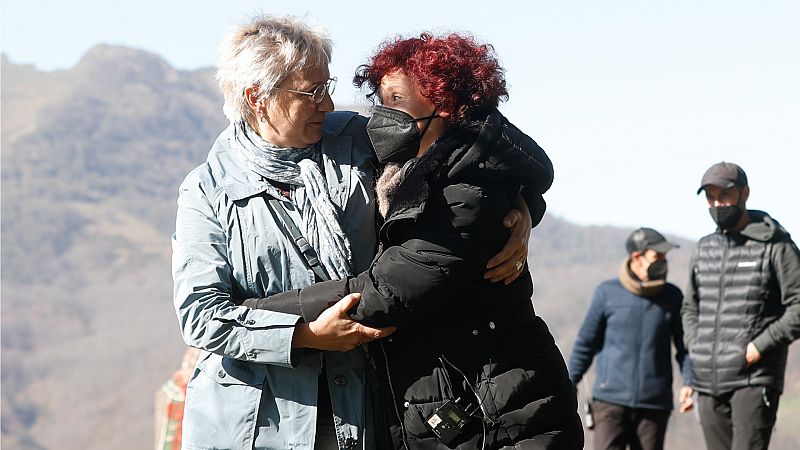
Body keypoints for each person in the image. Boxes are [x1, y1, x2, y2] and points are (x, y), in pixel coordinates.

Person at [172, 16, 533, 450]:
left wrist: (521, 209)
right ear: (257, 98)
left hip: (363, 409)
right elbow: (200, 315)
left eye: (327, 86)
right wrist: (305, 336)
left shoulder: (359, 141)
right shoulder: (207, 191)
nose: (327, 104)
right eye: (311, 92)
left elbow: (469, 154)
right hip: (254, 422)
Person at [245, 32, 583, 449]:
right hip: (456, 412)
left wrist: (249, 314)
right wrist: (526, 202)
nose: (382, 114)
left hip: (506, 418)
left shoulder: (467, 194)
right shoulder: (401, 172)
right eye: (380, 99)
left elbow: (385, 292)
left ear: (443, 103)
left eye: (396, 100)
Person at [682, 162, 800, 450]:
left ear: (744, 194)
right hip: (707, 382)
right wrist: (696, 348)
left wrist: (757, 348)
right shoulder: (704, 248)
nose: (717, 204)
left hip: (754, 378)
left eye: (724, 195)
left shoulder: (776, 245)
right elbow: (690, 309)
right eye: (710, 197)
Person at [568, 227, 693, 450]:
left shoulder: (672, 297)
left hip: (654, 406)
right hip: (609, 402)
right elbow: (585, 343)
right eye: (658, 256)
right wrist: (569, 382)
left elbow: (684, 348)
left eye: (665, 257)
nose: (664, 262)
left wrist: (689, 382)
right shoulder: (607, 293)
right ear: (637, 257)